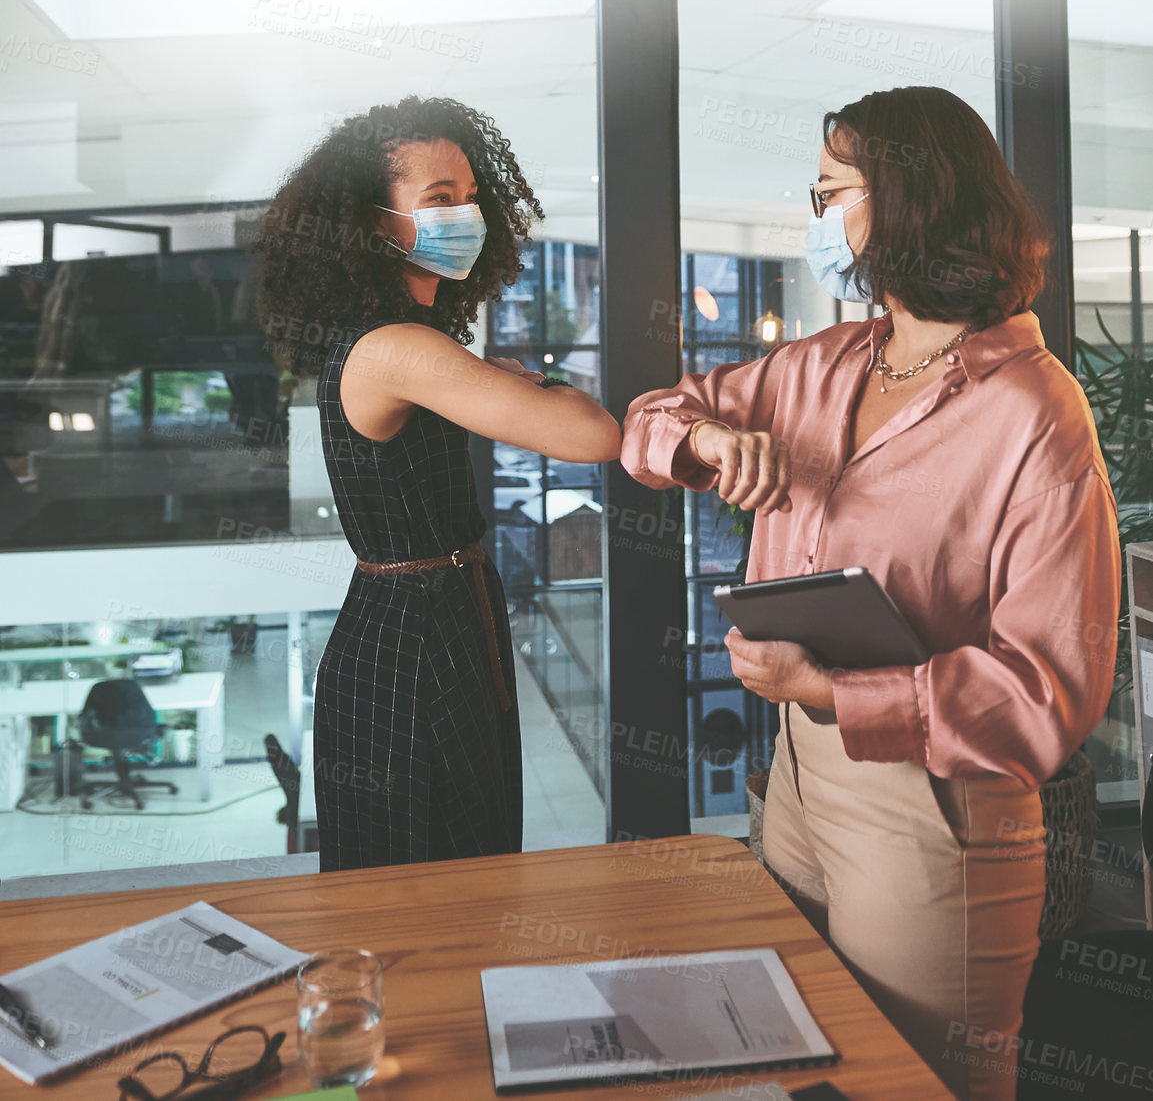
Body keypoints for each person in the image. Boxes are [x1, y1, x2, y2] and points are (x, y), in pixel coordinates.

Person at [621, 85, 1120, 1101]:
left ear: (908, 196)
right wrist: (706, 438)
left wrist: (837, 689)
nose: (816, 223)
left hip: (931, 812)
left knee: (919, 1085)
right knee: (806, 1070)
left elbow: (1049, 693)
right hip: (796, 783)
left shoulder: (1035, 410)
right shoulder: (830, 361)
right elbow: (645, 419)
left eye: (831, 193)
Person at [253, 95, 621, 870]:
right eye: (439, 200)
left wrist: (507, 376)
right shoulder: (397, 350)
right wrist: (544, 381)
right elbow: (593, 435)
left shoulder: (413, 343)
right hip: (412, 638)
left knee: (464, 856)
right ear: (377, 225)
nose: (468, 217)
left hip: (440, 613)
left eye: (472, 198)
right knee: (425, 879)